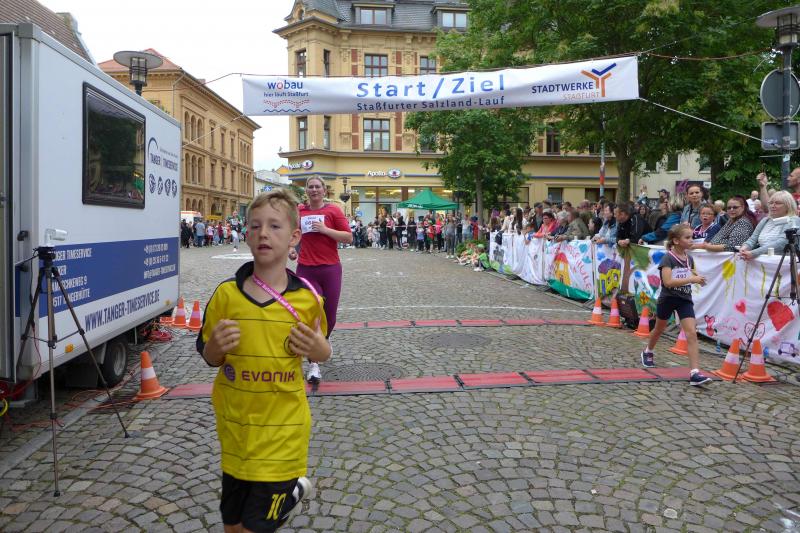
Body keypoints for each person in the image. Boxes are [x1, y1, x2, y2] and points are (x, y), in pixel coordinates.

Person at [197, 189, 330, 532]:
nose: (263, 234)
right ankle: (293, 493)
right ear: (246, 234)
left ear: (294, 237)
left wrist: (319, 349)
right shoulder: (226, 295)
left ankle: (289, 492)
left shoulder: (308, 299)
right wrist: (214, 348)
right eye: (255, 226)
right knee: (233, 526)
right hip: (237, 432)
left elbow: (321, 351)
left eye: (274, 226)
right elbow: (208, 355)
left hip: (283, 433)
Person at [639, 223, 712, 386]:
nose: (691, 240)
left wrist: (699, 278)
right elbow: (668, 282)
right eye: (687, 237)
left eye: (692, 237)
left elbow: (690, 273)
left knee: (691, 333)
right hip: (668, 298)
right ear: (676, 241)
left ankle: (695, 373)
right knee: (659, 329)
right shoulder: (668, 258)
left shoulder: (689, 258)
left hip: (684, 299)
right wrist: (691, 279)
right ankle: (648, 351)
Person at [296, 176, 353, 384]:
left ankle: (324, 340)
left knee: (330, 315)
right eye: (310, 187)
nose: (314, 190)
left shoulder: (333, 211)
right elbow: (293, 235)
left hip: (330, 269)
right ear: (306, 191)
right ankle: (313, 364)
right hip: (306, 269)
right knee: (313, 313)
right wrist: (292, 249)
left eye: (317, 187)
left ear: (324, 191)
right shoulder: (299, 211)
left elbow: (348, 237)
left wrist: (325, 230)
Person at [739, 191, 800, 260]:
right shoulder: (765, 220)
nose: (773, 206)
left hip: (785, 263)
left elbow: (782, 243)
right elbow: (753, 239)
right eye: (771, 203)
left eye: (778, 203)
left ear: (788, 205)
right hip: (764, 262)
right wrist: (744, 247)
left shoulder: (793, 220)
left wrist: (754, 253)